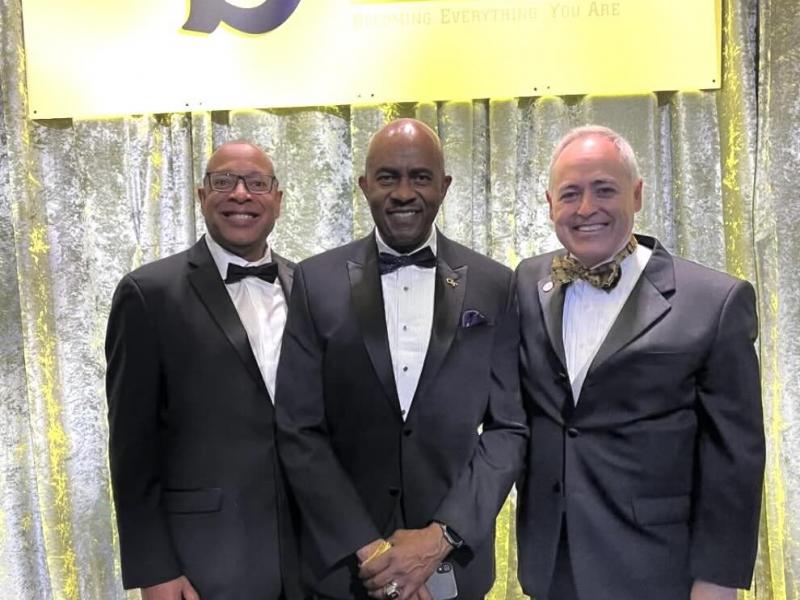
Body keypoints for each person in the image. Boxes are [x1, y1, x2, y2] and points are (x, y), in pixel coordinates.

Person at [275, 118, 527, 600]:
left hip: (453, 562)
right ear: (364, 185)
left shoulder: (495, 284)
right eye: (388, 177)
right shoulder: (315, 280)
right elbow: (297, 427)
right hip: (345, 568)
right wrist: (371, 551)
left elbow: (508, 427)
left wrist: (440, 538)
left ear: (445, 186)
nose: (404, 192)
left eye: (421, 177)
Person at [515, 125, 765, 600]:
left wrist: (718, 579)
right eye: (571, 193)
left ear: (638, 194)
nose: (587, 208)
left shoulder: (714, 301)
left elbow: (736, 455)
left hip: (657, 568)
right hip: (551, 563)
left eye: (604, 189)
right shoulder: (528, 282)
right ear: (550, 204)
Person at [105, 141, 301, 600]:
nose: (240, 194)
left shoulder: (309, 285)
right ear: (200, 195)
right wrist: (154, 570)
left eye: (256, 183)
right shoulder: (148, 293)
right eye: (223, 181)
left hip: (309, 554)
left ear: (277, 198)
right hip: (205, 561)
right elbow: (132, 446)